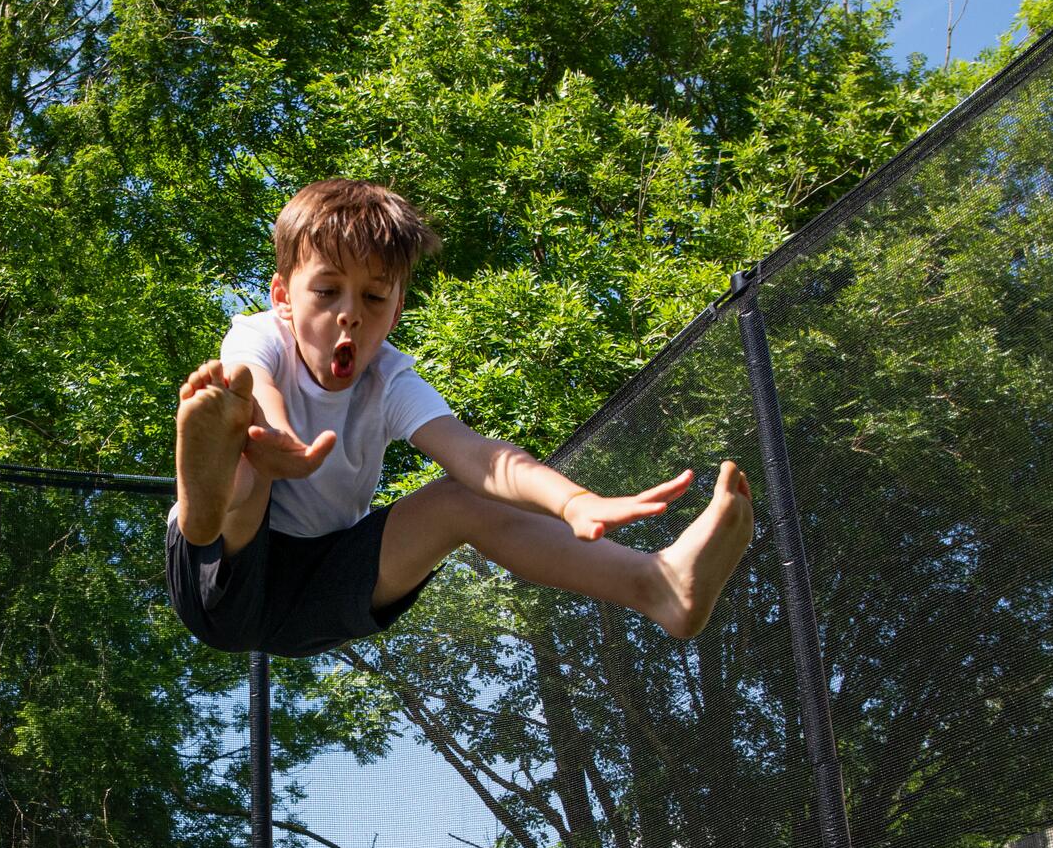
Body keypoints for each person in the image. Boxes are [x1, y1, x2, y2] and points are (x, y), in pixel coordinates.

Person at [166, 178, 754, 657]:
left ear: (395, 311)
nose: (350, 317)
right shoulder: (257, 337)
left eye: (373, 299)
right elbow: (259, 386)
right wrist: (281, 444)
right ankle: (204, 509)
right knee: (244, 443)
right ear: (283, 298)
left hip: (323, 589)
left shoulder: (389, 379)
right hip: (223, 574)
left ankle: (660, 587)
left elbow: (480, 457)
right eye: (327, 292)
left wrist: (574, 502)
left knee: (460, 497)